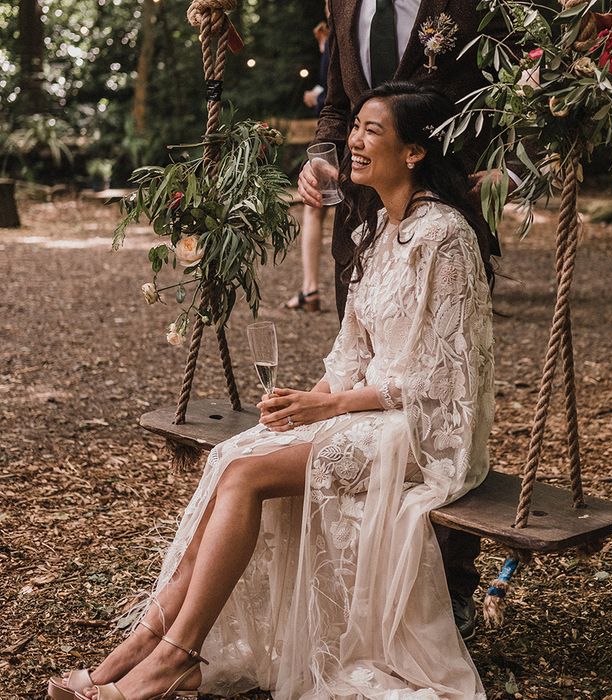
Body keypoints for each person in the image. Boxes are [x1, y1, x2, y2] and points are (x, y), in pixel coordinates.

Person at [47, 82, 495, 700]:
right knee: (236, 452)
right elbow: (351, 354)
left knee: (246, 476)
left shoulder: (445, 236)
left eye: (371, 130)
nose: (353, 141)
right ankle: (143, 644)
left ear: (415, 153)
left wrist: (330, 406)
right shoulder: (370, 233)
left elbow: (442, 379)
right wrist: (301, 406)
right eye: (355, 127)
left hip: (423, 429)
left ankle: (174, 654)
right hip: (365, 408)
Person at [298, 0, 506, 639]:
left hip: (447, 205)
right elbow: (338, 107)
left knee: (439, 384)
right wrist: (319, 154)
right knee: (361, 365)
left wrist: (511, 171)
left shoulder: (471, 6)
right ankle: (359, 588)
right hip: (361, 220)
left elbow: (509, 93)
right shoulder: (342, 4)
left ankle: (450, 592)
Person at [284, 9, 332, 312]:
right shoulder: (333, 36)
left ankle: (311, 287)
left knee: (314, 210)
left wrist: (316, 98)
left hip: (339, 136)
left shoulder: (342, 33)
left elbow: (334, 95)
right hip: (348, 133)